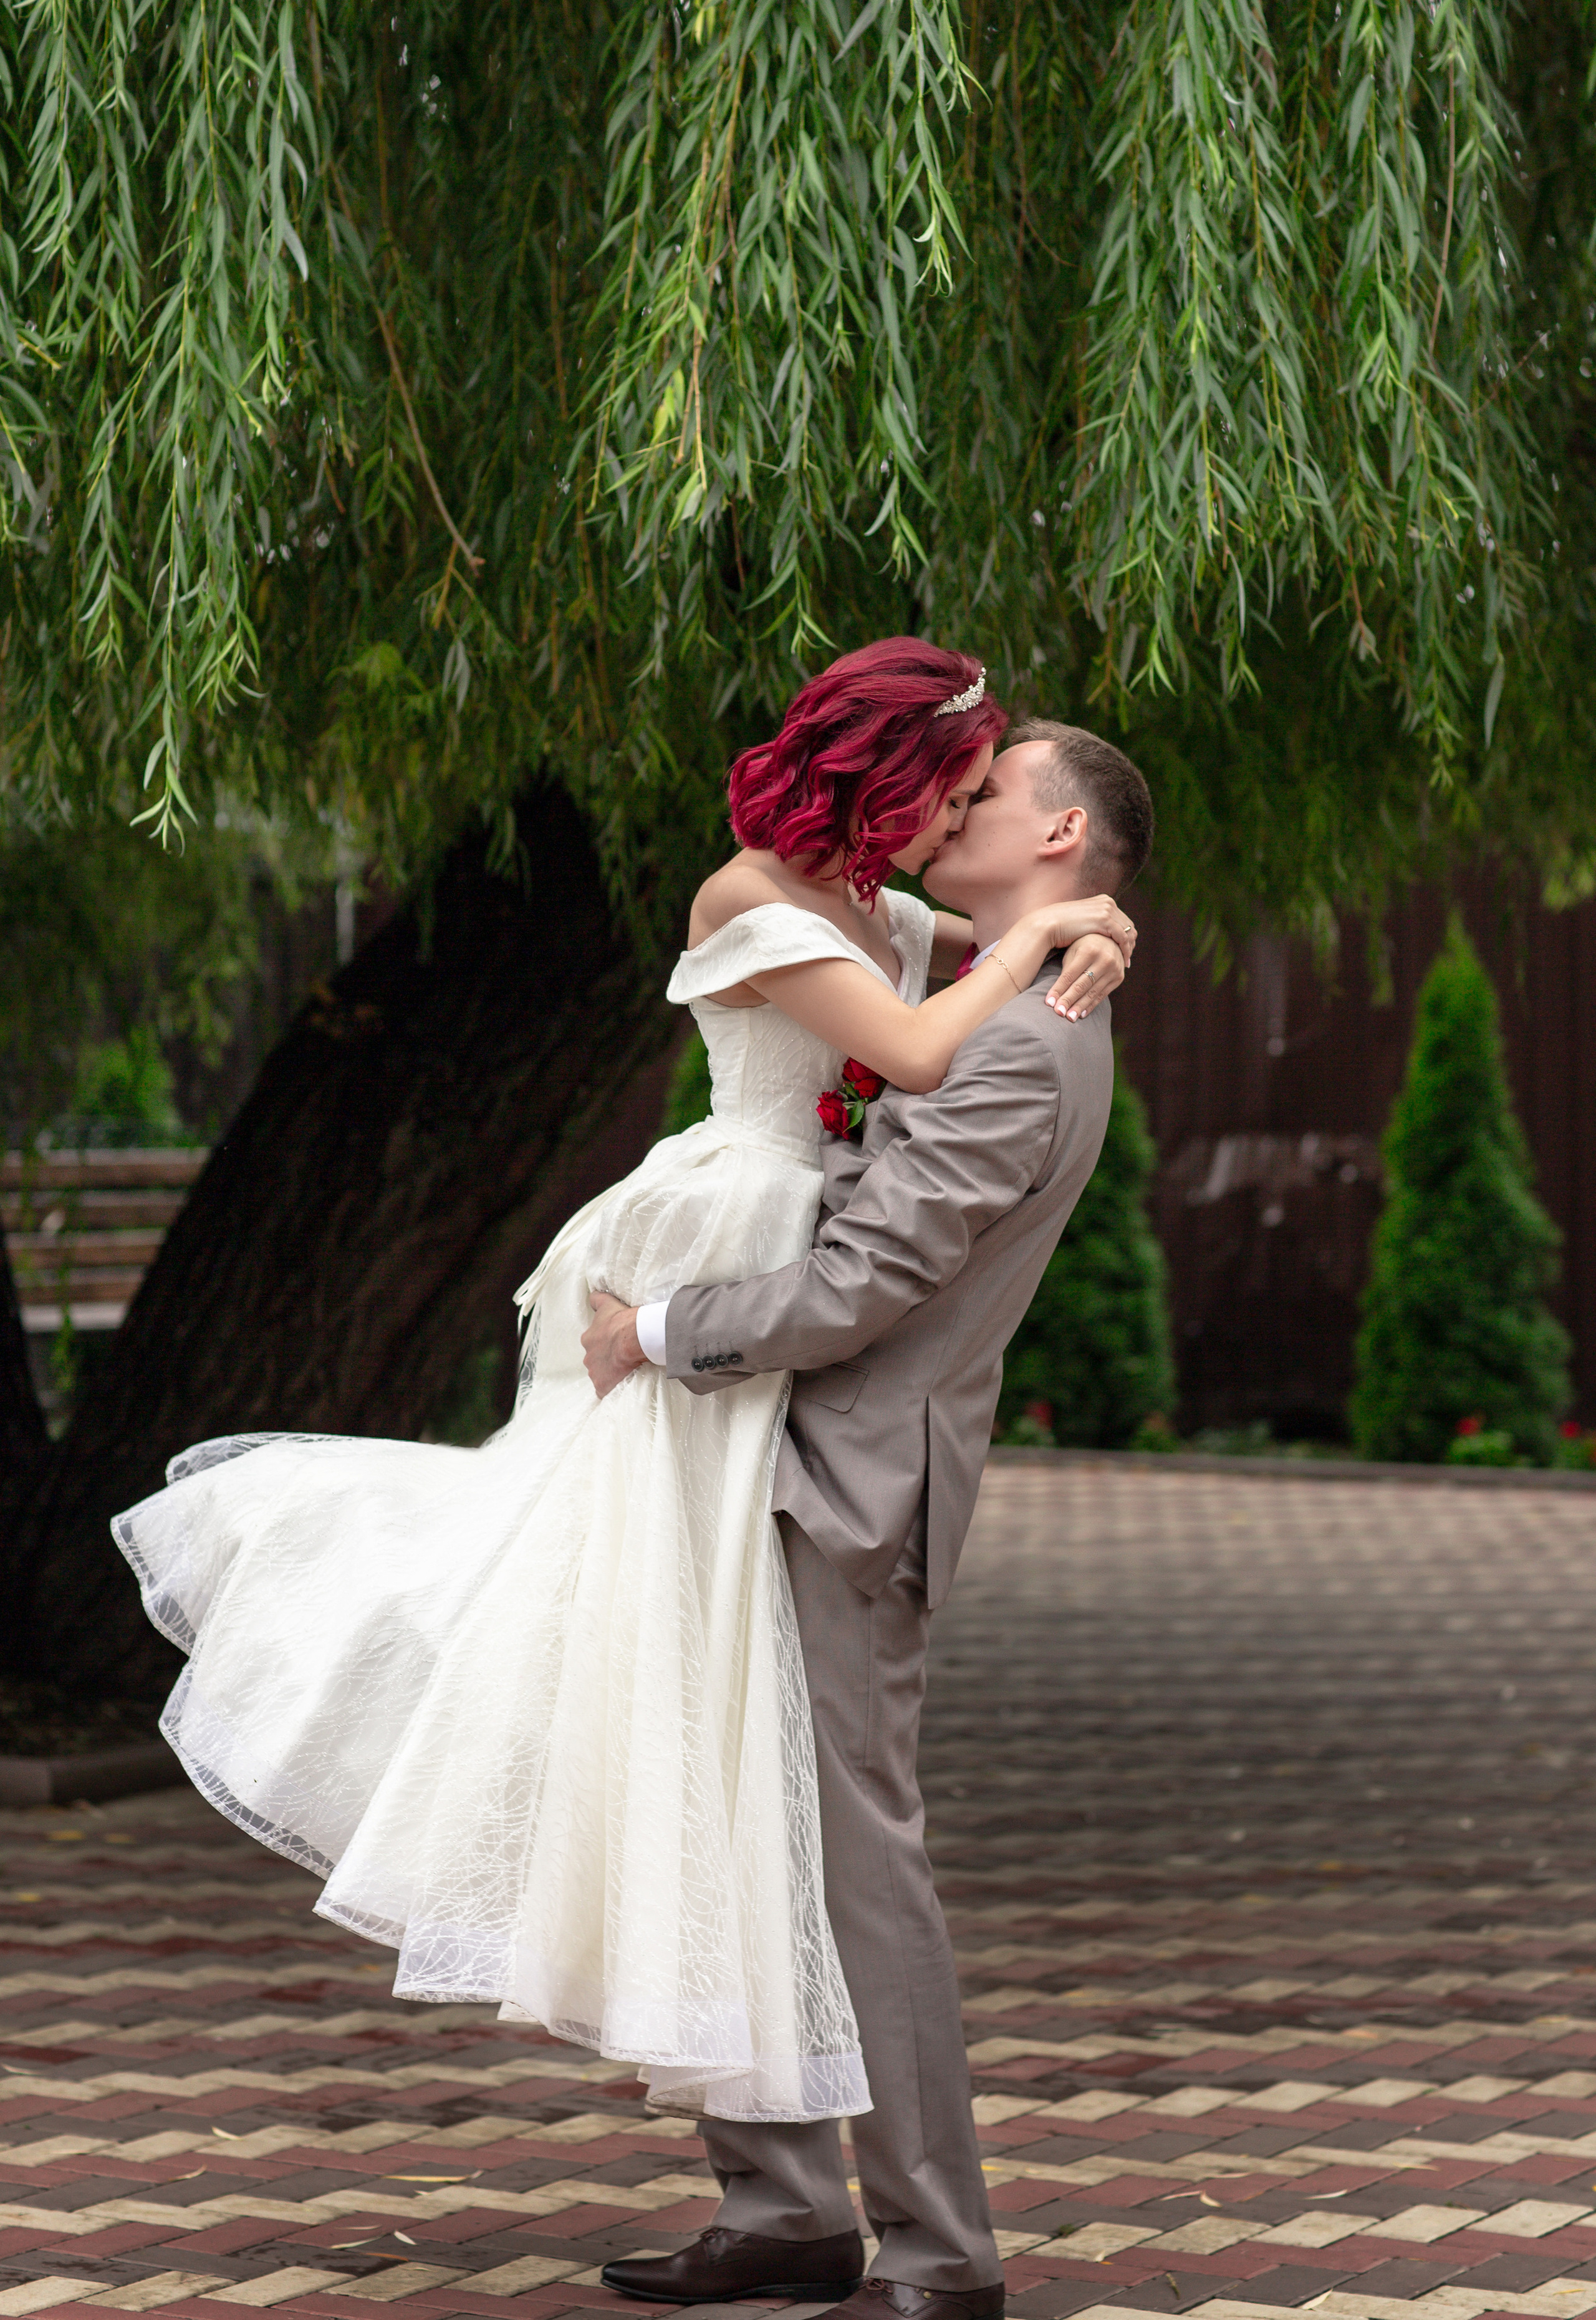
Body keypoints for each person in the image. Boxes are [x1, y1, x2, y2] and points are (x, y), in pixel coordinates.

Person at [108, 640, 1133, 2139]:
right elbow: (915, 1048)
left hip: (775, 1295)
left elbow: (947, 1025)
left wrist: (1066, 931)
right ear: (889, 775)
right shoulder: (755, 897)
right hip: (719, 1240)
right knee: (614, 1616)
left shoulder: (883, 914)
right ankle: (769, 2178)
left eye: (986, 792)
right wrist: (1053, 939)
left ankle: (807, 2199)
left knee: (711, 1698)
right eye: (949, 788)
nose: (956, 813)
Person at [582, 717, 1155, 2320]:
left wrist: (660, 1331)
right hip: (767, 1454)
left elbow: (860, 1284)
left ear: (1055, 839)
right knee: (730, 1828)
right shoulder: (982, 971)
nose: (953, 803)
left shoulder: (1031, 1039)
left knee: (853, 1865)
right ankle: (778, 2210)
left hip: (845, 1479)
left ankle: (935, 2253)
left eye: (987, 792)